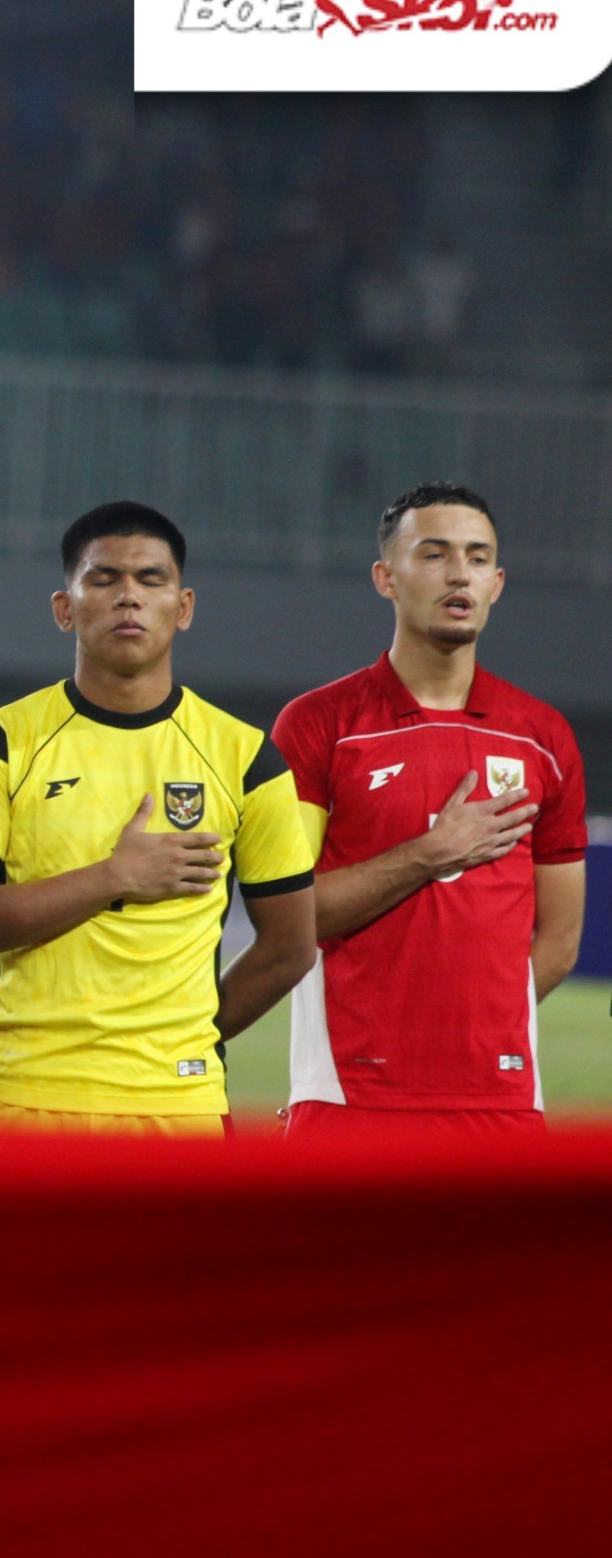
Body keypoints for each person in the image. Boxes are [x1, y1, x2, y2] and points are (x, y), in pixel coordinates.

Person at [0, 501, 316, 1134]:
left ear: (182, 608)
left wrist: (185, 1045)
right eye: (104, 579)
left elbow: (291, 947)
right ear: (64, 608)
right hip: (21, 1097)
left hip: (179, 1107)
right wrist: (114, 877)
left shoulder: (245, 756)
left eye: (151, 579)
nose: (128, 596)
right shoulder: (2, 742)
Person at [271, 484, 587, 1135]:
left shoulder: (543, 736)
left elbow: (558, 941)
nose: (458, 573)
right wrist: (429, 854)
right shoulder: (318, 726)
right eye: (435, 553)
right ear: (386, 577)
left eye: (476, 557)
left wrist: (477, 1036)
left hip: (500, 1104)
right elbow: (286, 915)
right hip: (348, 1095)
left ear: (496, 583)